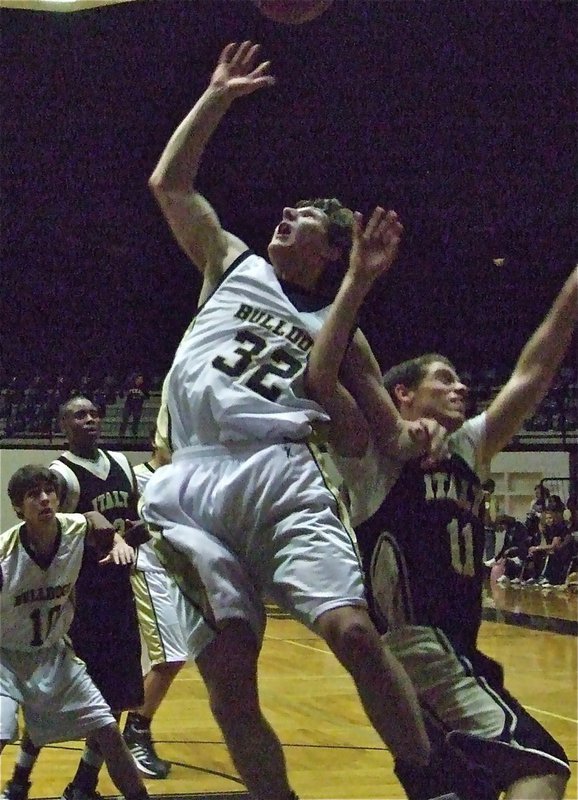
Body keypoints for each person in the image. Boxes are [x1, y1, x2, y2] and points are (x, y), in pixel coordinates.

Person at [141, 40, 445, 800]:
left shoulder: (345, 334)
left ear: (334, 249)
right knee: (230, 678)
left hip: (282, 472)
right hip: (190, 479)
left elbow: (387, 435)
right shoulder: (232, 262)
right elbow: (170, 184)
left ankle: (430, 781)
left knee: (355, 634)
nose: (285, 214)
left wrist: (422, 433)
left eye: (303, 215)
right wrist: (216, 95)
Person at [305, 253, 577, 798]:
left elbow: (534, 373)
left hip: (454, 646)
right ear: (402, 394)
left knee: (465, 788)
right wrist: (354, 279)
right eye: (443, 379)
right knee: (541, 766)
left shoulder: (467, 447)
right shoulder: (375, 456)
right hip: (419, 646)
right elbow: (324, 380)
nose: (461, 389)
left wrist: (572, 290)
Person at [2, 396, 145, 800]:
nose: (90, 420)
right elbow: (85, 522)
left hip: (107, 603)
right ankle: (19, 779)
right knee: (24, 714)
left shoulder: (120, 466)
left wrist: (128, 538)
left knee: (111, 707)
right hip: (70, 609)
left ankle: (85, 784)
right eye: (79, 415)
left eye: (94, 413)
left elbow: (103, 521)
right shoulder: (60, 476)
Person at [123, 429, 200, 779]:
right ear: (156, 441)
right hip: (148, 570)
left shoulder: (187, 478)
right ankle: (134, 732)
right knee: (170, 656)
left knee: (164, 659)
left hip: (179, 574)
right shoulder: (134, 477)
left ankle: (119, 732)